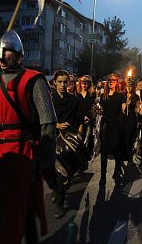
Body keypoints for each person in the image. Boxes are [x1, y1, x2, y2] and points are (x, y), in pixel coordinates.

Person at [0, 30, 57, 243]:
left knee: (26, 205)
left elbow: (47, 122)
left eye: (8, 52)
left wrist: (46, 160)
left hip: (23, 152)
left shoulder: (34, 80)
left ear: (19, 56)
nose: (2, 56)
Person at [51, 70, 85, 219]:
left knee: (63, 172)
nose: (63, 85)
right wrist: (56, 125)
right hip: (52, 139)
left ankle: (60, 201)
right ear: (54, 83)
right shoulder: (49, 100)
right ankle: (58, 194)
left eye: (66, 82)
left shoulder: (75, 101)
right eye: (60, 82)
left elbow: (81, 120)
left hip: (69, 141)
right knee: (53, 171)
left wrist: (79, 136)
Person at [99, 73, 125, 185]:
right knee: (104, 151)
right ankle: (103, 176)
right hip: (105, 124)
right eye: (109, 80)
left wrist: (126, 106)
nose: (111, 82)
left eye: (114, 80)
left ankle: (117, 169)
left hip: (116, 124)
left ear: (117, 82)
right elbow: (101, 109)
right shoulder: (102, 96)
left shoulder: (121, 95)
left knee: (116, 150)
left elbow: (124, 109)